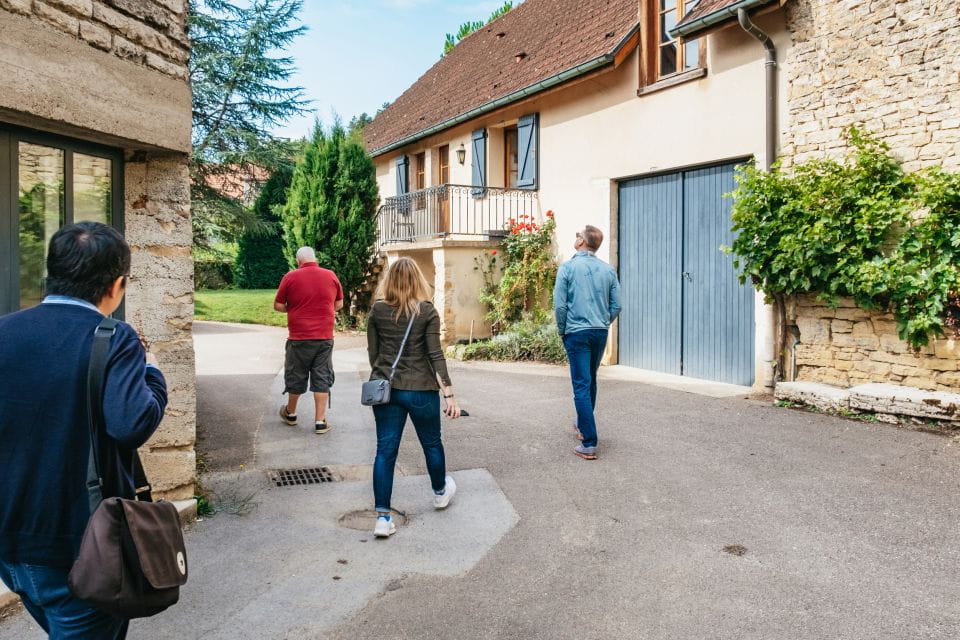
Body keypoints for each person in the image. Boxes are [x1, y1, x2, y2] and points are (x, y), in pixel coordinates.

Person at [0, 222, 168, 639]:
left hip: (10, 538)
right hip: (81, 543)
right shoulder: (113, 337)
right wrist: (153, 374)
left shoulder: (4, 330)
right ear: (117, 284)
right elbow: (131, 423)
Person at [366, 257, 461, 538]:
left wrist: (384, 372)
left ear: (390, 281)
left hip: (387, 391)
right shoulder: (427, 311)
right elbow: (435, 356)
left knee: (385, 450)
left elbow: (374, 354)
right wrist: (450, 395)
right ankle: (440, 492)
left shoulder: (378, 311)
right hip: (421, 389)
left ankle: (383, 518)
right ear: (417, 280)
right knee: (431, 443)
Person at [553, 224, 622, 460]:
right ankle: (583, 426)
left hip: (576, 332)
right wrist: (603, 322)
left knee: (581, 384)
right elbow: (617, 306)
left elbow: (560, 305)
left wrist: (562, 330)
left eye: (577, 235)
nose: (575, 237)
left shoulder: (568, 268)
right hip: (599, 331)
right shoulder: (607, 270)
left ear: (582, 241)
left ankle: (589, 442)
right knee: (590, 380)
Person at [274, 246, 344, 434]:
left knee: (296, 373)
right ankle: (320, 421)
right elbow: (339, 303)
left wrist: (294, 309)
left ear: (298, 261)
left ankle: (291, 413)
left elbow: (278, 305)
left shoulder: (290, 277)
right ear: (316, 259)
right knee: (322, 375)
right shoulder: (330, 275)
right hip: (324, 336)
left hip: (299, 337)